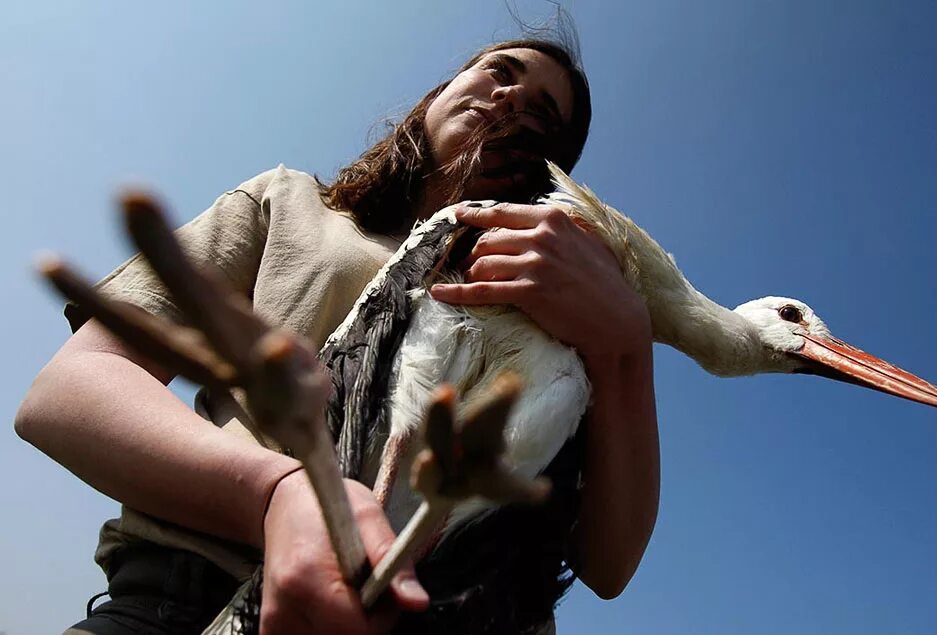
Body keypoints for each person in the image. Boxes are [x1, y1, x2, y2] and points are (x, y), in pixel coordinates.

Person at [15, 36, 660, 635]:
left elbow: (607, 565)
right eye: (500, 72)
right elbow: (67, 393)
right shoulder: (290, 204)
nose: (510, 100)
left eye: (542, 112)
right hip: (184, 602)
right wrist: (271, 493)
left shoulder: (556, 317)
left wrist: (623, 344)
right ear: (443, 90)